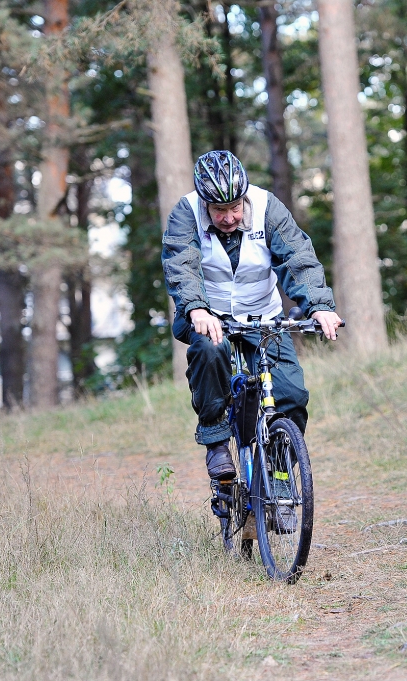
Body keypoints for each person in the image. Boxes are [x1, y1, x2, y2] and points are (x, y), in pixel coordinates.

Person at [162, 150, 343, 486]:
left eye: (235, 207)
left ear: (244, 197)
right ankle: (216, 441)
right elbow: (181, 263)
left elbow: (297, 258)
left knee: (291, 394)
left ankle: (279, 480)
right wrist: (196, 308)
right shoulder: (185, 213)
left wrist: (318, 305)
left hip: (263, 315)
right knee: (209, 351)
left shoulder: (267, 207)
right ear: (204, 204)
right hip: (209, 316)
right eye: (219, 210)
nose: (229, 217)